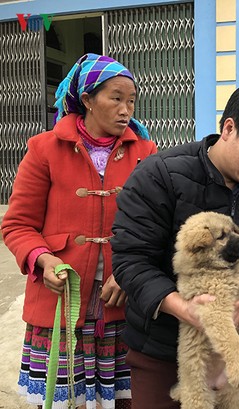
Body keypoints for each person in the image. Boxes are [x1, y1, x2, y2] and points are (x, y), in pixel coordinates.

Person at [110, 82, 239, 409]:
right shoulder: (159, 175)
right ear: (229, 128)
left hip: (228, 341)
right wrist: (185, 309)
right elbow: (131, 261)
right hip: (160, 345)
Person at [1, 53, 157, 409]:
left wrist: (130, 272)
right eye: (115, 98)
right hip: (60, 303)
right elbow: (18, 223)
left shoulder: (145, 152)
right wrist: (43, 260)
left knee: (123, 401)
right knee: (64, 401)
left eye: (131, 101)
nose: (125, 109)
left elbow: (156, 227)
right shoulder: (44, 149)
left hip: (120, 306)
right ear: (87, 99)